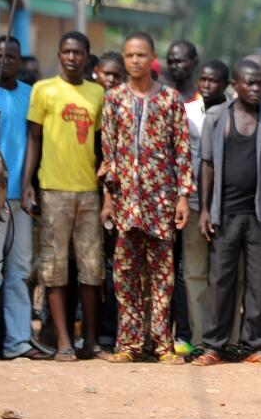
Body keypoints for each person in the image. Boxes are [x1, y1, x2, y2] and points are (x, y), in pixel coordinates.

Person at [99, 31, 193, 364]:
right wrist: (109, 199)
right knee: (125, 275)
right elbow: (107, 151)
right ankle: (129, 344)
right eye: (129, 55)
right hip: (126, 201)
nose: (134, 61)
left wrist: (182, 197)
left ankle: (162, 345)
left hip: (160, 201)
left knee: (162, 276)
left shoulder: (169, 99)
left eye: (140, 55)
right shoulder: (114, 99)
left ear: (151, 57)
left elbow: (182, 150)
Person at [192, 60, 261, 366]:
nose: (256, 88)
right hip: (225, 213)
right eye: (249, 83)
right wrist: (205, 209)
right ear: (235, 85)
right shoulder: (216, 117)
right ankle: (214, 346)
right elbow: (206, 163)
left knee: (259, 283)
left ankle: (255, 346)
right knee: (220, 281)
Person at [22, 31, 106, 362]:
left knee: (91, 269)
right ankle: (62, 342)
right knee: (54, 268)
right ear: (59, 55)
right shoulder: (43, 90)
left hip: (88, 191)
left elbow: (102, 145)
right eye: (66, 52)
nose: (72, 57)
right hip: (53, 189)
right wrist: (28, 182)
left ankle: (90, 341)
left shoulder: (98, 93)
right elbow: (34, 139)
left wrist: (107, 189)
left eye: (78, 53)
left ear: (87, 57)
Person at [0, 36, 47, 360]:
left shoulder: (30, 95)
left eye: (11, 55)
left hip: (19, 197)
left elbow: (34, 140)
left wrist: (28, 182)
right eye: (0, 55)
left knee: (18, 271)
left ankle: (17, 341)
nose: (6, 60)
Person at [179, 59, 231, 353]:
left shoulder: (235, 112)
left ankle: (228, 340)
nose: (207, 85)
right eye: (203, 80)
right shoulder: (186, 113)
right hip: (196, 203)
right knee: (195, 273)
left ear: (225, 84)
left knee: (225, 275)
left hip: (227, 205)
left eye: (213, 80)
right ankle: (200, 339)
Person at [165, 40, 200, 354]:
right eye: (170, 61)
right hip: (162, 197)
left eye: (181, 61)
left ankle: (187, 334)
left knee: (188, 270)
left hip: (195, 200)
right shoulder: (161, 97)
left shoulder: (205, 102)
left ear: (194, 62)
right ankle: (163, 333)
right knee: (165, 267)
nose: (176, 66)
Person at [92, 51, 125, 352]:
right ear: (97, 74)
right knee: (87, 268)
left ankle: (111, 331)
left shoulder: (124, 109)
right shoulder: (91, 104)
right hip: (84, 193)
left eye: (117, 75)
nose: (111, 81)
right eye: (107, 74)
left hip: (116, 200)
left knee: (116, 270)